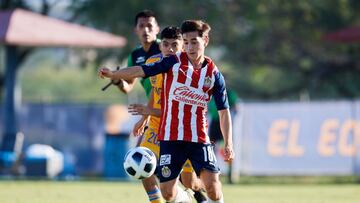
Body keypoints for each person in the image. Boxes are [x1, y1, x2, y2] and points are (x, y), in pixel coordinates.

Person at [99, 20, 235, 203]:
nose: (189, 47)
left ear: (206, 41)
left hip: (199, 138)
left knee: (212, 187)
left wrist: (228, 143)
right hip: (171, 138)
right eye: (186, 42)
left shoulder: (213, 74)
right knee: (168, 194)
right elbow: (141, 70)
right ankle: (186, 199)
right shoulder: (172, 62)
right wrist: (115, 74)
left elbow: (223, 111)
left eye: (194, 42)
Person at [129, 26, 207, 203]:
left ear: (183, 46)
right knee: (142, 160)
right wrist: (145, 118)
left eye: (175, 45)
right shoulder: (153, 63)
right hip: (158, 126)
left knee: (189, 181)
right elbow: (154, 92)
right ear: (161, 45)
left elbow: (179, 111)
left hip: (183, 129)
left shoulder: (190, 70)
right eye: (166, 44)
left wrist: (149, 111)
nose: (170, 49)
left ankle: (199, 191)